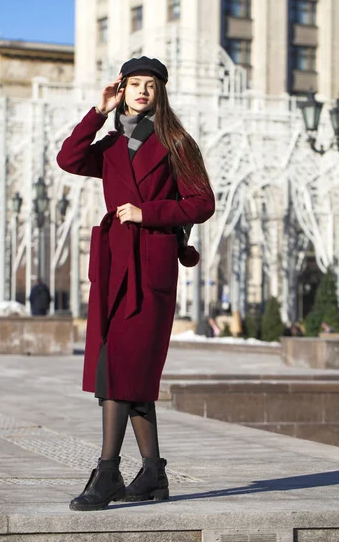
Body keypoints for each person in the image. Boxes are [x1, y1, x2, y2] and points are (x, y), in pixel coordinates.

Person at [57, 56, 215, 511]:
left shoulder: (177, 143)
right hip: (112, 266)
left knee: (121, 368)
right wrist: (97, 110)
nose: (142, 91)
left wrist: (152, 212)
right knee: (130, 372)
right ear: (121, 89)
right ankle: (153, 474)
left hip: (152, 267)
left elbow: (202, 202)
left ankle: (107, 472)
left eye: (151, 84)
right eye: (134, 84)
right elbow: (68, 158)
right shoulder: (107, 145)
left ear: (160, 92)